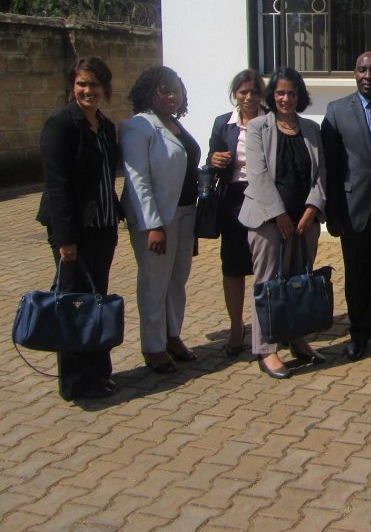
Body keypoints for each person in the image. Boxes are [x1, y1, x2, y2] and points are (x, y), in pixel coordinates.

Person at [36, 57, 121, 400]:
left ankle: (98, 372)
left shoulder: (105, 126)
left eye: (95, 84)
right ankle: (74, 383)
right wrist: (66, 239)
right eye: (82, 84)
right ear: (72, 86)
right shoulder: (60, 126)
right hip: (74, 232)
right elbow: (57, 186)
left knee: (96, 300)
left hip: (103, 225)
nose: (88, 90)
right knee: (73, 304)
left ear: (105, 88)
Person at [238, 67, 328, 379]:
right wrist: (280, 216)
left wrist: (311, 209)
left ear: (300, 95)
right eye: (280, 93)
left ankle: (297, 336)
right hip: (268, 221)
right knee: (268, 283)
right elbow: (258, 175)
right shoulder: (258, 128)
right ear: (271, 95)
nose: (285, 98)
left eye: (291, 93)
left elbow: (321, 175)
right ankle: (265, 348)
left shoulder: (311, 129)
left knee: (297, 281)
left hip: (304, 222)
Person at [121, 66, 201, 374]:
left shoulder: (175, 125)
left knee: (177, 281)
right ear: (148, 92)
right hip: (157, 221)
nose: (171, 95)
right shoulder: (137, 128)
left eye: (176, 89)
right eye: (163, 89)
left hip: (185, 215)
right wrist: (152, 225)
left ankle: (172, 336)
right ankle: (152, 346)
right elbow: (137, 180)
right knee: (155, 282)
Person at [322, 51, 371, 361]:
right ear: (355, 73)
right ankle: (358, 333)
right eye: (362, 69)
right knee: (357, 276)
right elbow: (331, 165)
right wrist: (333, 213)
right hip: (354, 208)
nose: (367, 75)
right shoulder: (337, 110)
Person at [207, 69, 267, 357]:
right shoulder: (223, 124)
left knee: (263, 267)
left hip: (265, 200)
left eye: (254, 92)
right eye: (243, 92)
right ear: (235, 94)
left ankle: (263, 326)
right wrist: (215, 158)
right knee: (232, 267)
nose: (249, 97)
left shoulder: (272, 121)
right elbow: (213, 158)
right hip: (233, 201)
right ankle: (235, 327)